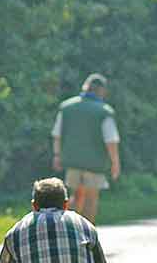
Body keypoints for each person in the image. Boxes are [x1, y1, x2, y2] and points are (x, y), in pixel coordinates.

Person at [51, 73, 122, 223]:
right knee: (91, 197)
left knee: (75, 196)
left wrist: (57, 155)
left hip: (72, 161)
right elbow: (111, 140)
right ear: (101, 90)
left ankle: (69, 230)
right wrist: (115, 163)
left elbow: (57, 134)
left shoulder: (67, 107)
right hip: (94, 164)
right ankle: (87, 235)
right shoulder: (104, 111)